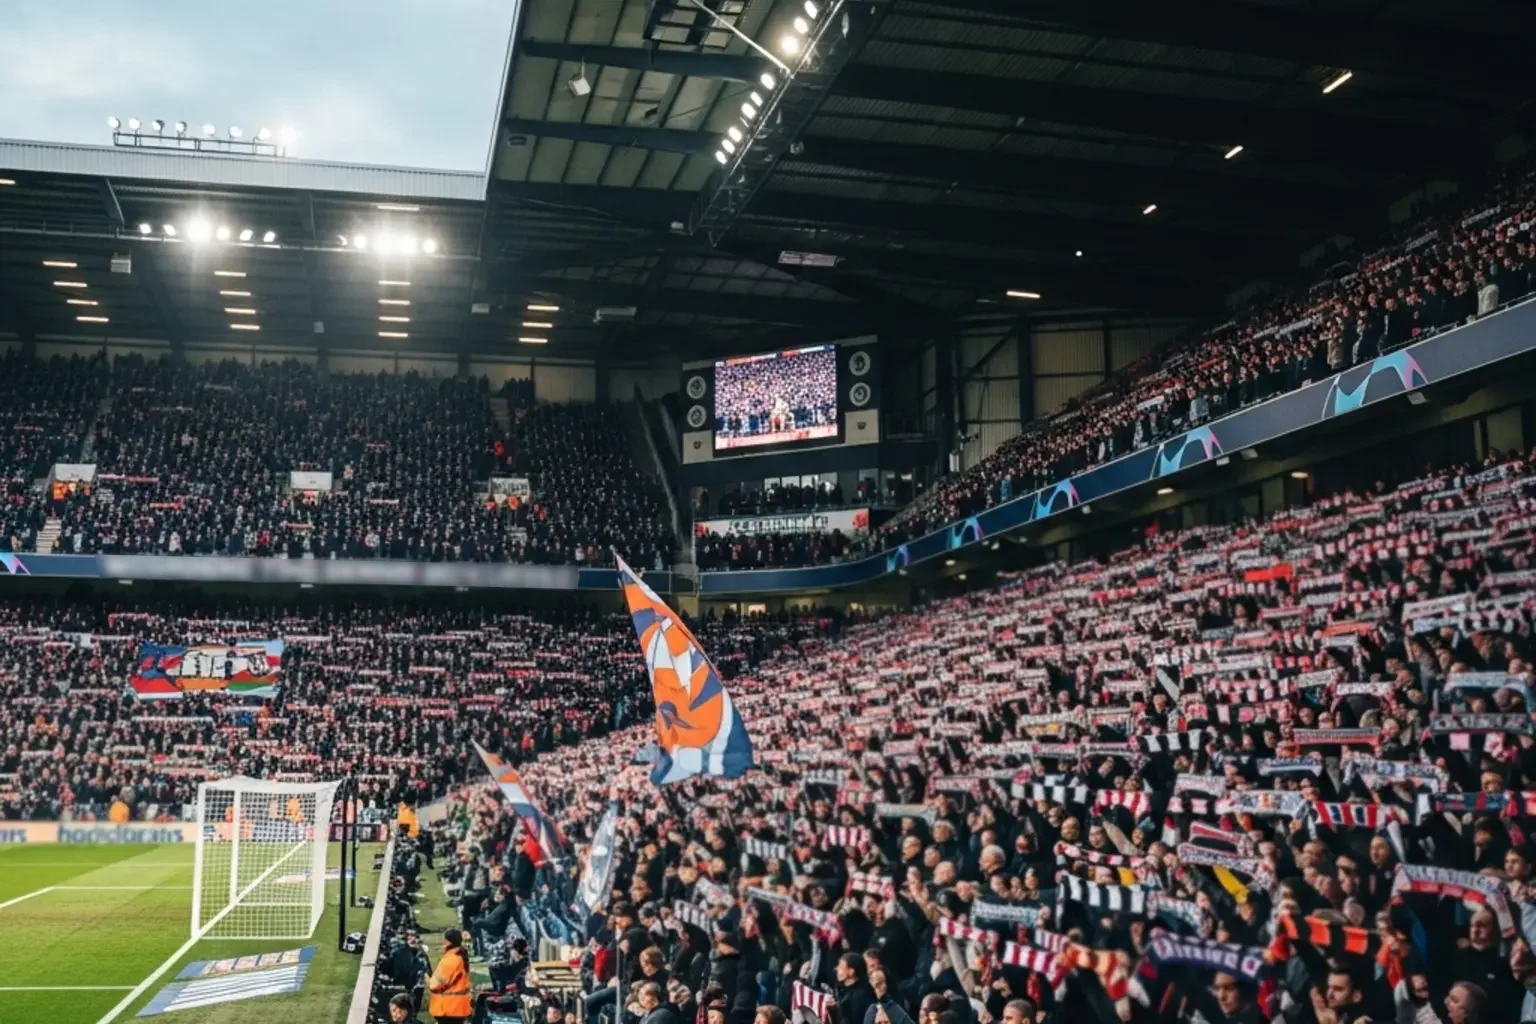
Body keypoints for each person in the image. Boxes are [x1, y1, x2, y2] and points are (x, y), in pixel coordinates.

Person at [427, 927, 473, 1024]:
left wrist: (428, 978)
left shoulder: (451, 959)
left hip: (448, 1007)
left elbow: (435, 985)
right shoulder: (458, 956)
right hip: (455, 1007)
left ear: (448, 942)